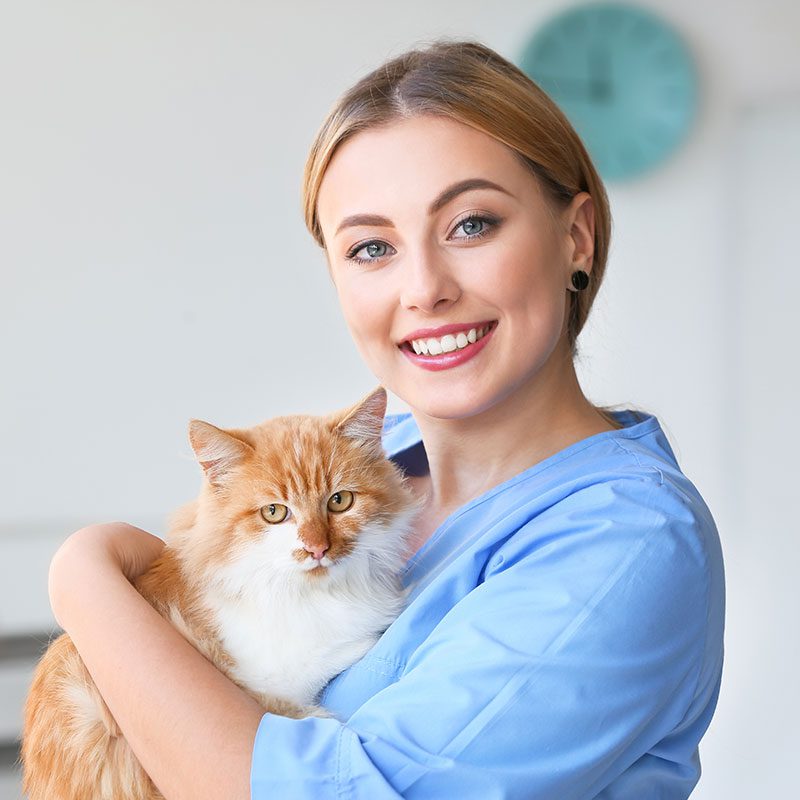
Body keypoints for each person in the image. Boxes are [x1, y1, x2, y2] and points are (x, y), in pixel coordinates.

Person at [48, 39, 725, 799]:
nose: (424, 288)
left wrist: (85, 582)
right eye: (372, 246)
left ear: (577, 237)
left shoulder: (625, 539)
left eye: (471, 225)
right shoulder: (377, 461)